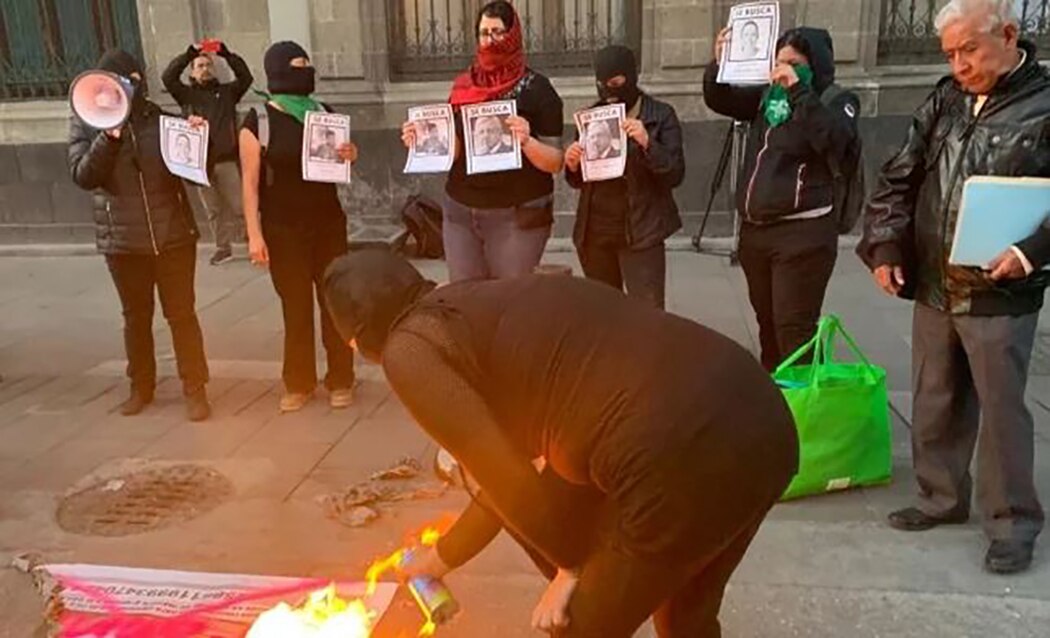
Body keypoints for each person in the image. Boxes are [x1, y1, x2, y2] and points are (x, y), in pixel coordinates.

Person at [323, 249, 797, 638]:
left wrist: (571, 570)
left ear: (359, 336)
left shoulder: (409, 348)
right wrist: (441, 557)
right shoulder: (474, 305)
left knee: (578, 625)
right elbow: (506, 482)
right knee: (684, 617)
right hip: (760, 415)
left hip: (676, 449)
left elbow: (500, 473)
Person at [858, 0, 1050, 575]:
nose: (960, 64)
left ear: (1009, 34)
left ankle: (1012, 521)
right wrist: (888, 246)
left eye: (969, 49)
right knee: (935, 393)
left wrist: (1028, 252)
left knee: (1000, 407)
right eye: (950, 53)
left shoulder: (1044, 104)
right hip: (937, 277)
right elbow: (900, 175)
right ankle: (941, 496)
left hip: (1001, 284)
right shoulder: (944, 99)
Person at [703, 27, 860, 370]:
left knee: (794, 329)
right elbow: (721, 100)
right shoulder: (765, 97)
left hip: (802, 235)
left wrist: (799, 91)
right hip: (757, 232)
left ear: (813, 65)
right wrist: (719, 64)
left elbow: (834, 139)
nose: (783, 68)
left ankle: (803, 411)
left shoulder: (836, 100)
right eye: (779, 61)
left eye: (794, 62)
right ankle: (776, 397)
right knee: (768, 325)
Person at [69, 50, 211, 422]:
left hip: (173, 236)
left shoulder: (160, 120)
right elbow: (84, 175)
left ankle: (195, 388)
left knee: (182, 315)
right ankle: (141, 387)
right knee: (136, 317)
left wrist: (196, 139)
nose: (131, 86)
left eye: (135, 79)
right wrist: (109, 137)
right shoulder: (87, 123)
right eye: (122, 80)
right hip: (122, 241)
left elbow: (195, 173)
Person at [400, 0, 565, 282]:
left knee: (508, 302)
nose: (490, 41)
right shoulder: (464, 86)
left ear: (512, 35)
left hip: (517, 215)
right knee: (466, 301)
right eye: (483, 33)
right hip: (461, 212)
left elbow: (555, 162)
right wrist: (423, 139)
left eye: (498, 32)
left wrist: (526, 142)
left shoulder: (537, 89)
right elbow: (455, 151)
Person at [239, 41, 357, 414]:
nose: (306, 70)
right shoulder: (258, 120)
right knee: (296, 306)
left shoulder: (323, 113)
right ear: (277, 70)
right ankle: (299, 383)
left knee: (334, 304)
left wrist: (349, 154)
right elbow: (250, 182)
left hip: (327, 223)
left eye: (308, 63)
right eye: (297, 64)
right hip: (283, 228)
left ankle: (341, 379)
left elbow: (340, 168)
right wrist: (254, 234)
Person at [565, 45, 684, 309]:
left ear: (630, 77)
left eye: (616, 83)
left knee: (647, 313)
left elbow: (675, 172)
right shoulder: (591, 117)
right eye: (601, 84)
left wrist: (647, 143)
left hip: (641, 231)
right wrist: (572, 164)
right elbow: (577, 181)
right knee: (604, 313)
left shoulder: (660, 116)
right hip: (595, 232)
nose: (608, 91)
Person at [163, 41, 253, 266]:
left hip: (225, 160)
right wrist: (189, 53)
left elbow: (245, 77)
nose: (205, 69)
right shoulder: (186, 95)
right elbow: (168, 77)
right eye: (199, 65)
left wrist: (226, 53)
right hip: (200, 164)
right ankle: (223, 248)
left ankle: (255, 239)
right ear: (192, 71)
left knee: (240, 205)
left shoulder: (227, 93)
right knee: (213, 210)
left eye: (208, 65)